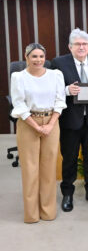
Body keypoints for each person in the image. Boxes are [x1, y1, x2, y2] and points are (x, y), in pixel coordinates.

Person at [10, 43, 66, 223]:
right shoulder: (19, 77)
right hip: (28, 123)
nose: (38, 60)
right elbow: (18, 104)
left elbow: (60, 100)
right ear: (26, 57)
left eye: (41, 56)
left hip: (51, 122)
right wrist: (36, 126)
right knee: (30, 169)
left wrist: (50, 125)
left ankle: (48, 211)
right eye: (34, 56)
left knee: (49, 169)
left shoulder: (55, 75)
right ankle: (31, 214)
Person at [51, 28, 88, 211]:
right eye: (77, 44)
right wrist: (67, 91)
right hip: (69, 120)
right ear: (70, 46)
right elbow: (50, 89)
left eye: (84, 44)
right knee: (70, 158)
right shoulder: (58, 63)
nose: (81, 47)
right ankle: (68, 193)